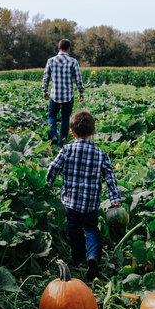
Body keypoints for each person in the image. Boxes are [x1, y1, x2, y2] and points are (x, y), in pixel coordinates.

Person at [46, 109, 121, 280]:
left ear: (72, 132)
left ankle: (78, 257)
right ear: (93, 131)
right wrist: (114, 198)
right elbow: (110, 176)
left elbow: (53, 168)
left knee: (74, 230)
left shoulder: (66, 150)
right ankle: (93, 256)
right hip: (91, 203)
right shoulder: (101, 154)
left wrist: (49, 183)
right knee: (92, 230)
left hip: (71, 202)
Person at [42, 38, 85, 146]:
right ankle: (63, 141)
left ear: (59, 48)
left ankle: (53, 136)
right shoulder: (73, 61)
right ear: (69, 49)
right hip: (68, 95)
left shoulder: (51, 61)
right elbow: (78, 79)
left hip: (54, 94)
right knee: (65, 118)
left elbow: (46, 77)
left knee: (52, 116)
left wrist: (45, 90)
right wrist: (81, 92)